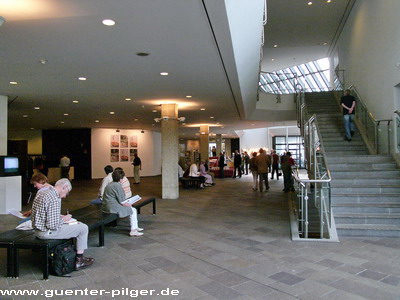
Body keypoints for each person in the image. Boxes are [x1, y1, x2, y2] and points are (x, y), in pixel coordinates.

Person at [31, 178, 94, 270]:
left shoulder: (43, 192)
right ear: (64, 187)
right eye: (66, 193)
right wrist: (64, 219)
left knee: (77, 225)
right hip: (45, 232)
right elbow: (52, 225)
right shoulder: (54, 198)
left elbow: (43, 212)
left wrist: (58, 216)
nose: (65, 196)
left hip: (37, 230)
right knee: (83, 228)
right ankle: (79, 260)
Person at [102, 169, 143, 237]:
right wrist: (129, 204)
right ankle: (133, 230)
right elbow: (122, 201)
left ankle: (135, 227)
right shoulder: (117, 186)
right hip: (112, 207)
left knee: (132, 209)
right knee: (132, 210)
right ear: (121, 179)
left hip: (107, 205)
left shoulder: (111, 184)